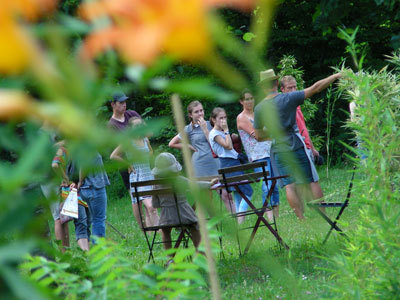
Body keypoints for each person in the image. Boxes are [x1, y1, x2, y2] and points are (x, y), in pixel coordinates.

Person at [254, 69, 341, 219]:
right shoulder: (289, 98)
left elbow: (258, 136)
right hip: (295, 144)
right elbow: (316, 87)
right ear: (276, 83)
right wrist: (336, 75)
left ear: (262, 87)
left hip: (278, 148)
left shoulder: (259, 108)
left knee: (289, 185)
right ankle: (323, 216)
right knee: (311, 180)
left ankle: (302, 220)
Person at [168, 100, 234, 214]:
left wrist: (205, 128)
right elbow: (172, 143)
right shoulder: (188, 129)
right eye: (196, 112)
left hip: (215, 162)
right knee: (207, 197)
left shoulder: (211, 124)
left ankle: (236, 222)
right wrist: (187, 145)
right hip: (199, 165)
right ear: (190, 115)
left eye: (201, 110)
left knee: (226, 194)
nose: (200, 114)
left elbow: (216, 143)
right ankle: (215, 225)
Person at [151, 153, 215, 255]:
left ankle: (170, 258)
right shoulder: (179, 179)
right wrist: (210, 183)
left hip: (166, 217)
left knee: (166, 231)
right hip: (185, 214)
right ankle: (200, 253)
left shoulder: (156, 183)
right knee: (195, 226)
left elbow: (155, 204)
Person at [236, 89, 280, 221]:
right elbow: (256, 135)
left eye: (251, 98)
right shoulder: (242, 118)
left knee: (275, 185)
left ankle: (277, 217)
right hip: (258, 155)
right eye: (247, 99)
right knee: (266, 186)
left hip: (270, 151)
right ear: (241, 102)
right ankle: (269, 216)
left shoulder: (258, 114)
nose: (250, 101)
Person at [280, 76, 324, 201]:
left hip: (305, 145)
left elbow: (303, 128)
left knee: (305, 182)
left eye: (295, 87)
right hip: (297, 147)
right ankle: (311, 210)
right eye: (290, 88)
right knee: (306, 182)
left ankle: (309, 209)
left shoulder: (296, 105)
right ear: (282, 89)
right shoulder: (286, 105)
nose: (294, 90)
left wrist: (313, 147)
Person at [110, 117, 159, 228]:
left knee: (150, 208)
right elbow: (113, 156)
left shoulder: (145, 139)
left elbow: (150, 151)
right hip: (137, 175)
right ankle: (148, 229)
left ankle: (152, 231)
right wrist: (127, 164)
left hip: (148, 175)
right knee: (148, 206)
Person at [209, 107, 253, 223]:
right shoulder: (214, 133)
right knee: (248, 192)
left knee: (238, 193)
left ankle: (239, 224)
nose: (223, 120)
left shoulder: (221, 132)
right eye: (220, 118)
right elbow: (228, 146)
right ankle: (239, 221)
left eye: (225, 117)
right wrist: (227, 130)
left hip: (233, 162)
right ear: (213, 120)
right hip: (228, 164)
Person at [108, 91, 141, 192]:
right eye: (121, 102)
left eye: (125, 102)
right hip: (126, 163)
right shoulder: (111, 125)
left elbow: (147, 132)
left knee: (149, 193)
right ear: (113, 104)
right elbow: (116, 151)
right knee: (135, 196)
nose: (124, 104)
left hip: (141, 157)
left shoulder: (132, 114)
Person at [78, 151, 110, 240]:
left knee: (95, 219)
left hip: (87, 188)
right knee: (99, 219)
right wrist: (80, 181)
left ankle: (94, 245)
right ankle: (99, 248)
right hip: (94, 187)